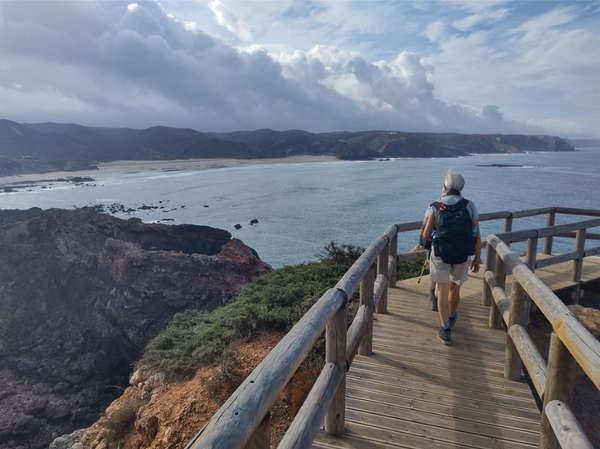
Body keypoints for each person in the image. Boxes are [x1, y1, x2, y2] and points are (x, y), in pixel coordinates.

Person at [423, 170, 481, 345]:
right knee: (454, 288)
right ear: (461, 187)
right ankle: (453, 315)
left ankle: (445, 328)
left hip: (440, 253)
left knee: (441, 291)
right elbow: (476, 236)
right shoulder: (469, 206)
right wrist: (477, 258)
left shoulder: (435, 205)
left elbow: (426, 234)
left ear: (445, 186)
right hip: (463, 254)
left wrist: (437, 238)